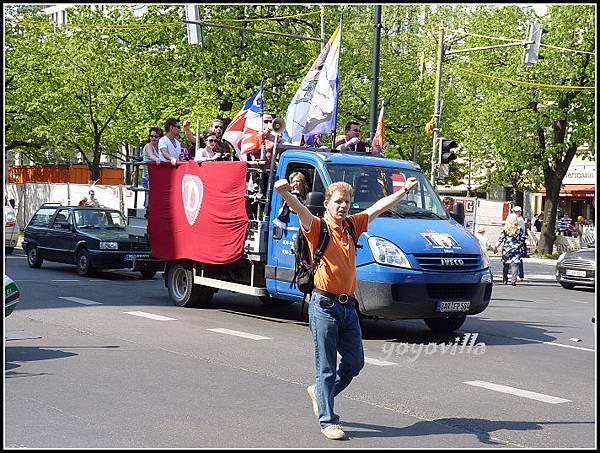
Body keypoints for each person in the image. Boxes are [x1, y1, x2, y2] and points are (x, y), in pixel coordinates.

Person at [275, 174, 418, 440]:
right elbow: (301, 211)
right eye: (339, 201)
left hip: (347, 307)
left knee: (354, 363)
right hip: (324, 305)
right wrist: (285, 193)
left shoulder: (353, 225)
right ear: (327, 203)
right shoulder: (318, 227)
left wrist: (404, 192)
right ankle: (328, 421)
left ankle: (319, 391)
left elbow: (379, 207)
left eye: (347, 202)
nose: (343, 206)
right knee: (327, 368)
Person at [494, 213, 524, 286]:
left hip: (507, 249)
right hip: (516, 249)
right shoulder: (519, 229)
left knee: (506, 264)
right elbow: (522, 238)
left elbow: (500, 239)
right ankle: (513, 280)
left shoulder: (505, 229)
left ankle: (505, 279)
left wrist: (495, 247)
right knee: (515, 264)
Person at [142, 127, 162, 208]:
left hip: (156, 177)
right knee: (149, 201)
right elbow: (151, 155)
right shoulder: (148, 145)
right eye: (151, 136)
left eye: (156, 136)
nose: (153, 138)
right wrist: (158, 160)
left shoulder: (160, 147)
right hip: (147, 178)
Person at [512, 206, 526, 280]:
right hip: (518, 240)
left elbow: (518, 231)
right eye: (514, 211)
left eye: (517, 211)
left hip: (518, 240)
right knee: (516, 257)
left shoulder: (520, 220)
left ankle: (519, 274)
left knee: (517, 258)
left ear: (520, 212)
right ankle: (518, 274)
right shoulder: (518, 219)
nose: (515, 213)